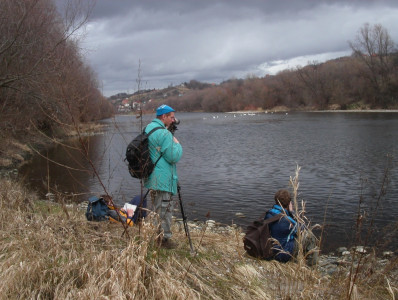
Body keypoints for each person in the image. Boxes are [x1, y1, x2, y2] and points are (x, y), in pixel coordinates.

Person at [144, 104, 183, 248]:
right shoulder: (164, 134)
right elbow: (174, 157)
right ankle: (164, 240)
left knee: (157, 208)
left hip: (152, 178)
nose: (173, 120)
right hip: (163, 179)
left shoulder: (149, 128)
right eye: (171, 117)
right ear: (163, 117)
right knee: (165, 209)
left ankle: (156, 236)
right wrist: (177, 143)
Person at [265, 189, 318, 265]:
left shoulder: (269, 214)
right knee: (310, 237)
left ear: (276, 201)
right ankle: (312, 265)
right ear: (289, 203)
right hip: (282, 254)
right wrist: (292, 212)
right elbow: (304, 228)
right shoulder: (288, 221)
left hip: (270, 250)